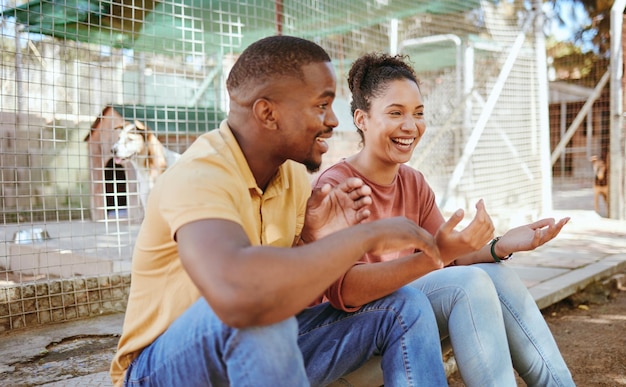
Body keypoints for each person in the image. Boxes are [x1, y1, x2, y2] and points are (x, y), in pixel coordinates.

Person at [110, 36, 450, 387]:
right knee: (259, 313)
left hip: (258, 347)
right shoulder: (200, 175)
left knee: (403, 306)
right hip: (162, 369)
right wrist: (365, 236)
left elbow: (290, 288)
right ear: (268, 113)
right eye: (321, 106)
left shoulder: (293, 177)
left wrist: (310, 239)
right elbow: (238, 295)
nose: (334, 121)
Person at [312, 52, 576, 387]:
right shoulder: (335, 187)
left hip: (408, 324)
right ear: (361, 119)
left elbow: (450, 255)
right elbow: (345, 292)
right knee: (468, 284)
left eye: (418, 113)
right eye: (396, 113)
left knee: (493, 274)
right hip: (348, 344)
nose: (411, 126)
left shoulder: (412, 181)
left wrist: (501, 245)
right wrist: (435, 256)